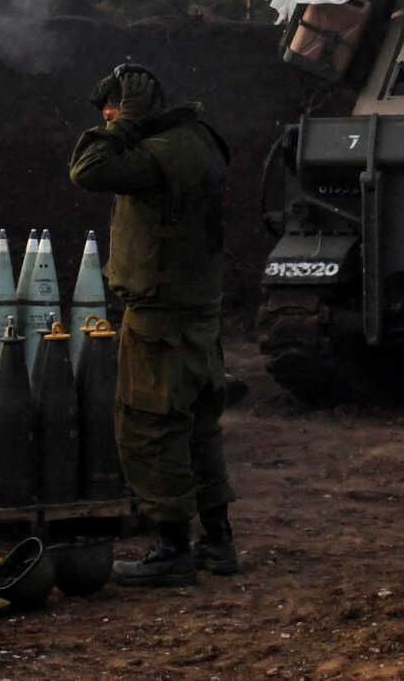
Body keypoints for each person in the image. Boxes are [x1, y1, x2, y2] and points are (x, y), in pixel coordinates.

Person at [69, 62, 237, 585]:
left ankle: (171, 550)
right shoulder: (192, 140)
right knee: (197, 430)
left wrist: (125, 126)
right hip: (193, 312)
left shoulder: (167, 150)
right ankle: (218, 543)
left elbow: (88, 170)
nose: (109, 121)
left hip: (163, 316)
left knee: (151, 426)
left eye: (111, 112)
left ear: (137, 106)